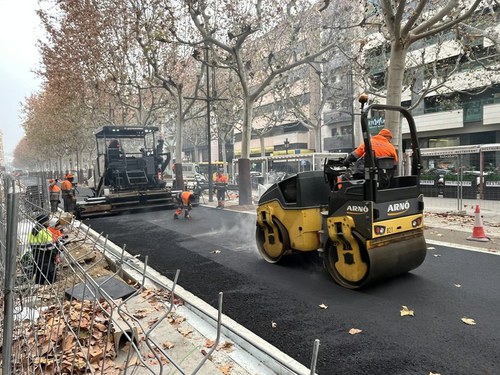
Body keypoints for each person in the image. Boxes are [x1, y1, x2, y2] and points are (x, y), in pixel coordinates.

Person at [28, 214, 60, 284]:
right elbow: (50, 247)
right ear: (43, 222)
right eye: (47, 221)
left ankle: (39, 286)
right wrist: (56, 256)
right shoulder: (44, 232)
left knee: (39, 274)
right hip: (45, 256)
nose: (49, 222)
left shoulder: (34, 230)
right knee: (51, 274)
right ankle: (50, 287)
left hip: (36, 254)